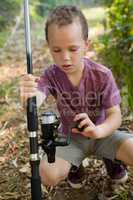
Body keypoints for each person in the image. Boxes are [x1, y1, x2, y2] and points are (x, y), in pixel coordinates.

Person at [20, 5, 133, 189]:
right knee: (46, 174)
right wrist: (29, 95)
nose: (65, 58)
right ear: (49, 47)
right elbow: (37, 96)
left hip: (104, 133)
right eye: (57, 50)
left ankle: (112, 158)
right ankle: (75, 165)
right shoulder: (51, 75)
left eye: (73, 49)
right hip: (70, 138)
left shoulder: (102, 74)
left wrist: (99, 131)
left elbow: (115, 115)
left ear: (86, 45)